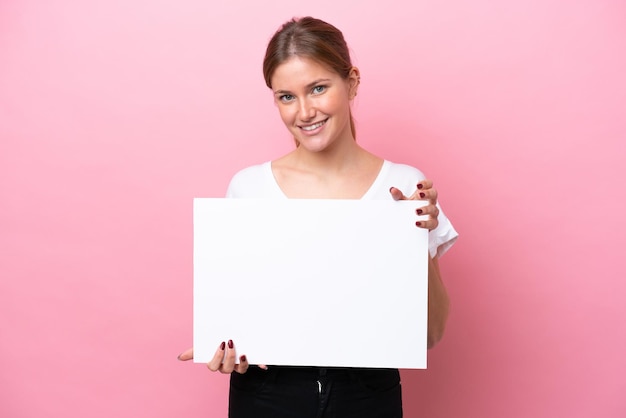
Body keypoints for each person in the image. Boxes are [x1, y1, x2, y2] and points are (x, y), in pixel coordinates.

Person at [179, 16, 458, 417]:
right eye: (286, 97)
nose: (305, 111)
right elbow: (235, 321)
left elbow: (430, 334)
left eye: (318, 88)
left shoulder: (403, 187)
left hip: (366, 395)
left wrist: (418, 242)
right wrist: (224, 347)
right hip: (266, 394)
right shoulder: (248, 188)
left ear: (353, 83)